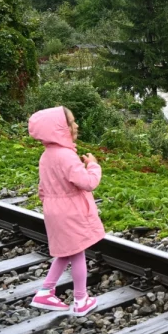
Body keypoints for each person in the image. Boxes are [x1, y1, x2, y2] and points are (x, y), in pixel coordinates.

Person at [26, 106, 105, 316]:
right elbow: (88, 183)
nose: (76, 125)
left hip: (53, 209)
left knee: (65, 253)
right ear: (61, 129)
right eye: (72, 122)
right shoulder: (66, 156)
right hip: (70, 211)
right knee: (78, 253)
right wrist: (93, 166)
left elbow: (42, 188)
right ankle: (81, 300)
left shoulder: (47, 156)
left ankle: (45, 291)